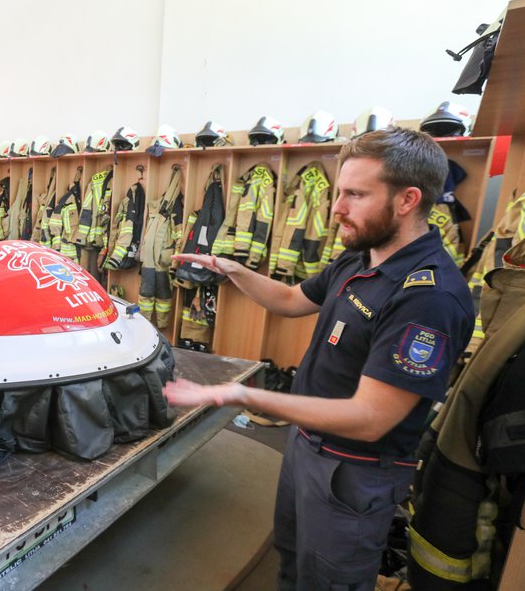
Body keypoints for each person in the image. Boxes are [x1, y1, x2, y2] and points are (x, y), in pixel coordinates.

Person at [166, 127, 473, 590]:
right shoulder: (361, 257)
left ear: (408, 199)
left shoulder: (429, 297)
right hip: (307, 446)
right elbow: (291, 299)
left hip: (353, 474)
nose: (337, 208)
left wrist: (241, 394)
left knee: (329, 581)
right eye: (338, 192)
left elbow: (369, 418)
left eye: (355, 194)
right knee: (292, 561)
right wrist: (232, 270)